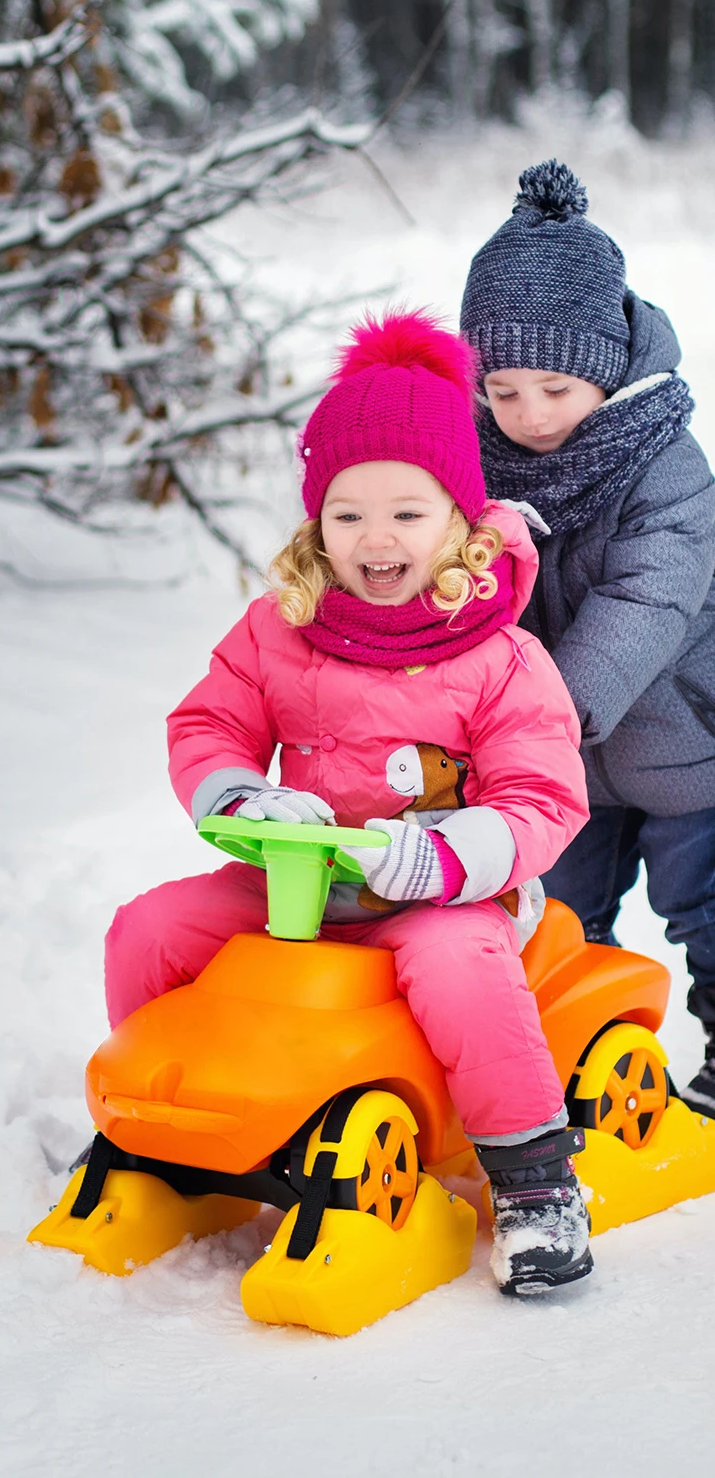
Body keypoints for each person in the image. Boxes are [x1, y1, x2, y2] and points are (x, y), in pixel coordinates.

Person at [104, 311, 593, 1296]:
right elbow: (210, 723)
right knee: (148, 928)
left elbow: (542, 794)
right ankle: (163, 1122)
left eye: (407, 512)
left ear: (458, 520)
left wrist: (445, 856)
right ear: (314, 524)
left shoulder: (499, 655)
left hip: (447, 893)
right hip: (299, 882)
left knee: (458, 969)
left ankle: (534, 1179)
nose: (375, 538)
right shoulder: (279, 627)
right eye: (346, 513)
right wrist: (243, 796)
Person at [460, 161, 715, 1120]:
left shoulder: (665, 461)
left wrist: (544, 713)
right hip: (559, 766)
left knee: (706, 905)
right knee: (557, 918)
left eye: (554, 386)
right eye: (503, 389)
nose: (529, 414)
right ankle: (581, 1052)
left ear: (604, 368)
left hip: (685, 744)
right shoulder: (477, 467)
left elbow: (651, 597)